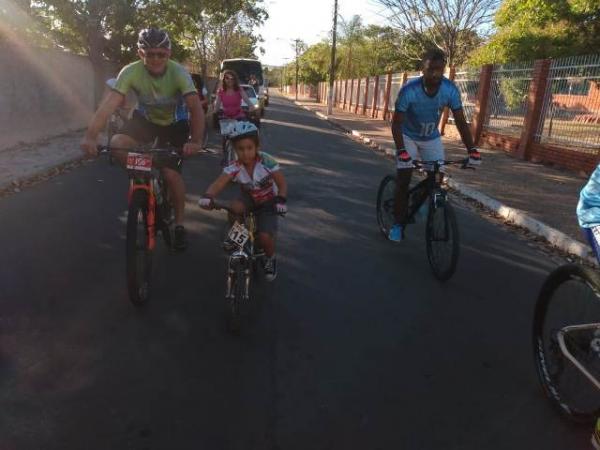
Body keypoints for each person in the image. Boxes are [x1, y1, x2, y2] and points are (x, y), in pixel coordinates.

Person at [80, 28, 205, 251]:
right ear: (140, 54)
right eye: (150, 54)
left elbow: (196, 109)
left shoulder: (179, 73)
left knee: (170, 174)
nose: (155, 59)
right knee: (117, 143)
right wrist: (90, 136)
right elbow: (108, 106)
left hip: (174, 125)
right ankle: (143, 176)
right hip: (145, 121)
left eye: (160, 54)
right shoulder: (130, 72)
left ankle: (178, 224)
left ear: (168, 53)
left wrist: (195, 141)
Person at [389, 48, 482, 242]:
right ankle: (398, 224)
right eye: (431, 69)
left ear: (444, 70)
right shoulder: (409, 91)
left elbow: (460, 121)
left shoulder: (450, 90)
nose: (435, 74)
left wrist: (472, 150)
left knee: (437, 179)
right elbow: (396, 123)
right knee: (404, 177)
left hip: (431, 137)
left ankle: (418, 199)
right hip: (407, 136)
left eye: (439, 70)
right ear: (423, 69)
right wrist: (402, 151)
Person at [198, 122, 287, 281]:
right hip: (249, 198)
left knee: (264, 237)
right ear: (234, 149)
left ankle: (270, 259)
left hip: (269, 201)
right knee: (234, 207)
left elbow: (281, 184)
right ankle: (237, 236)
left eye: (249, 148)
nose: (245, 153)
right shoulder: (235, 166)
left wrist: (280, 200)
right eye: (240, 149)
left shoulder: (267, 161)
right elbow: (219, 183)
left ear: (257, 146)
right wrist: (207, 196)